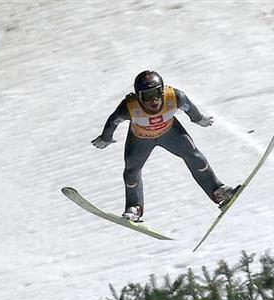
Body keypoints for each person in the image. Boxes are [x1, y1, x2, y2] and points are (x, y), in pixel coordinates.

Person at [91, 70, 237, 222]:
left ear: (162, 90)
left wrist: (199, 119)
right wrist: (105, 138)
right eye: (147, 96)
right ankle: (134, 207)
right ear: (138, 96)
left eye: (156, 93)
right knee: (131, 173)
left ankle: (217, 191)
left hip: (169, 133)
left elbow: (190, 107)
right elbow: (113, 120)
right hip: (141, 139)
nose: (153, 100)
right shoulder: (129, 106)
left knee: (194, 156)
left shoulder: (174, 96)